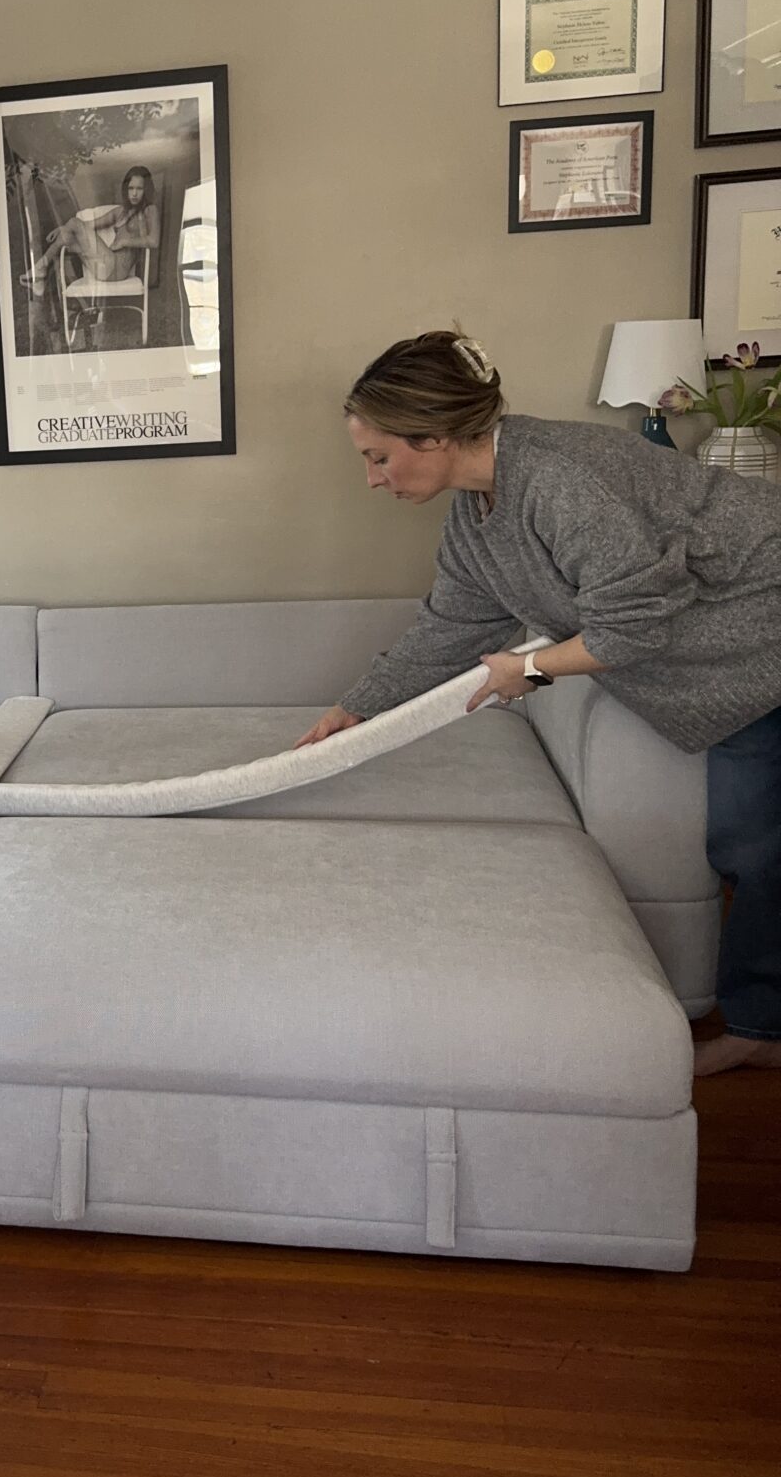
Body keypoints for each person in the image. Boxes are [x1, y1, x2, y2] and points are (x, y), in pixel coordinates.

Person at [295, 329, 781, 1076]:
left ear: (437, 436)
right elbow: (453, 626)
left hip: (767, 629)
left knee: (759, 846)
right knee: (750, 844)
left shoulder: (561, 479)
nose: (372, 479)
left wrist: (535, 667)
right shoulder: (476, 511)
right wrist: (357, 709)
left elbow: (634, 623)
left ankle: (757, 1027)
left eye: (378, 456)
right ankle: (763, 1025)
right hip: (736, 665)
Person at [21, 165, 161, 295]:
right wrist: (63, 228)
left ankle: (41, 270)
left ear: (146, 190)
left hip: (117, 269)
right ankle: (41, 277)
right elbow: (88, 225)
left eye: (139, 188)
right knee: (67, 237)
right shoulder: (120, 212)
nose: (134, 193)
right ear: (126, 190)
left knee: (74, 224)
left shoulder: (150, 210)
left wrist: (125, 242)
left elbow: (154, 241)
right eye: (131, 188)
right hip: (104, 267)